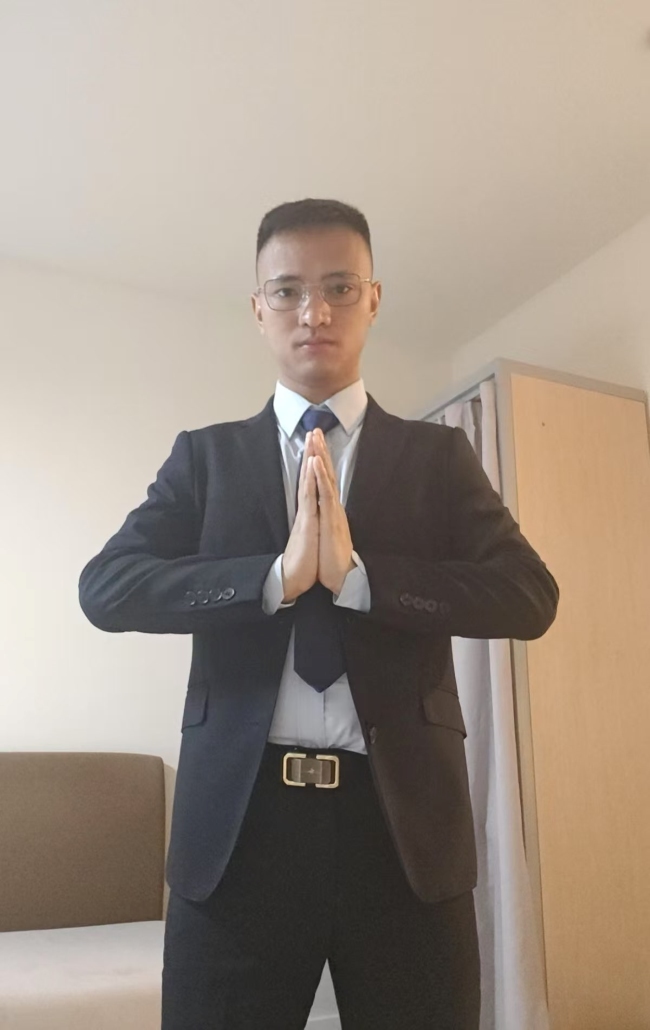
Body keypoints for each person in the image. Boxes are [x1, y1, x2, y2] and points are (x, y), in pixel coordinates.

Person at [78, 198, 559, 1030]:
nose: (315, 312)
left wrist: (362, 579)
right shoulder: (205, 457)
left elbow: (529, 594)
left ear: (374, 299)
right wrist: (275, 577)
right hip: (240, 834)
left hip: (401, 832)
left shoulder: (439, 456)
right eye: (289, 291)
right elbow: (107, 587)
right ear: (258, 308)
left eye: (340, 287)